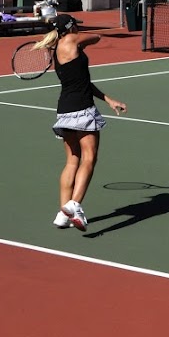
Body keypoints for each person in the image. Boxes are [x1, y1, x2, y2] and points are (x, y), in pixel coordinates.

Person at [36, 13, 127, 231]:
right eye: (76, 26)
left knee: (72, 161)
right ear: (70, 27)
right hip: (82, 110)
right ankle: (74, 205)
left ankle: (62, 215)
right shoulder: (72, 39)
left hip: (65, 110)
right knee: (89, 158)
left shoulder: (58, 49)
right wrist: (83, 40)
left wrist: (108, 99)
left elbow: (83, 83)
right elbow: (97, 37)